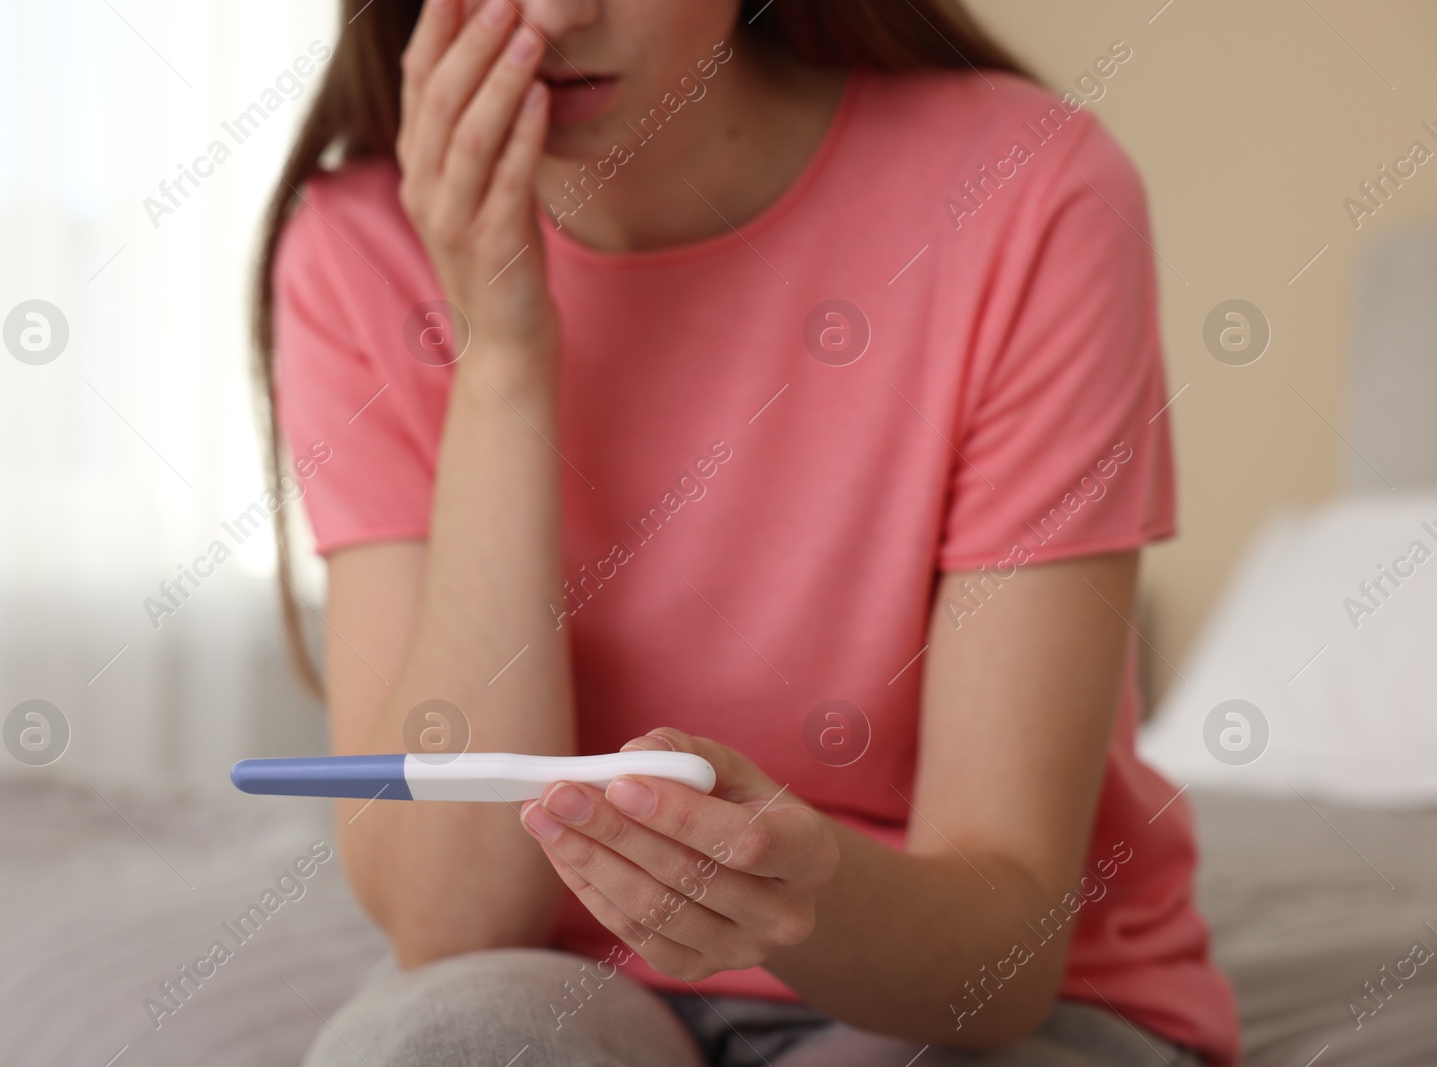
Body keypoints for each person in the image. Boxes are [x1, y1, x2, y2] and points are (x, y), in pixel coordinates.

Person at [250, 0, 1240, 1063]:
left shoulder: (1030, 189)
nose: (554, 15)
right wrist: (501, 358)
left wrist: (790, 890)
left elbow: (1000, 956)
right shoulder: (358, 245)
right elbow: (452, 918)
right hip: (563, 984)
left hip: (964, 991)